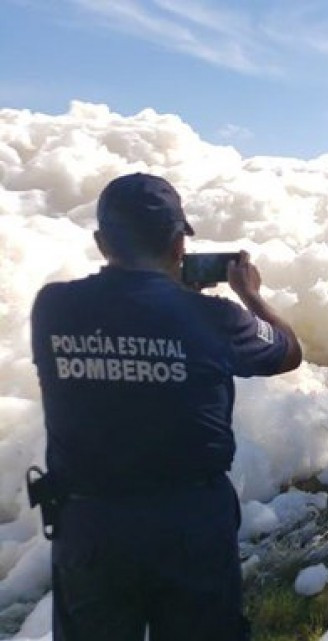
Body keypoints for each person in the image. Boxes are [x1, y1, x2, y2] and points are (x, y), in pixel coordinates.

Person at [29, 172, 302, 641]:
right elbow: (288, 350)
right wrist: (249, 294)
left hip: (89, 525)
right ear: (179, 245)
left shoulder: (53, 308)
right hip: (189, 525)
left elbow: (130, 322)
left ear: (101, 242)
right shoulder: (214, 318)